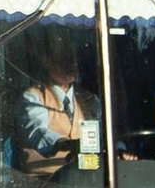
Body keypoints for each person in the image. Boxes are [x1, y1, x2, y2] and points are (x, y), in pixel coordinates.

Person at [16, 28, 99, 179]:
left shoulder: (89, 99)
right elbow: (38, 132)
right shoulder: (33, 97)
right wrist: (63, 143)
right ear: (46, 61)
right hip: (44, 184)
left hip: (83, 181)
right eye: (63, 58)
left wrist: (119, 148)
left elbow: (103, 130)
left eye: (73, 58)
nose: (71, 64)